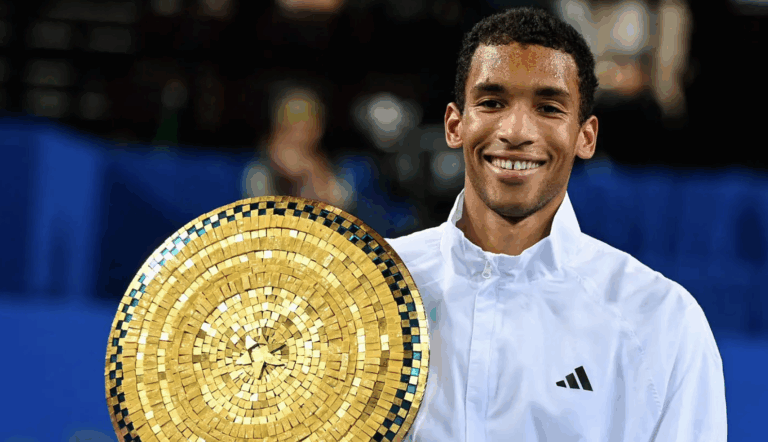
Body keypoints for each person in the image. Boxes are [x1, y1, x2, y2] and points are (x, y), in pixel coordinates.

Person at [385, 6, 726, 441]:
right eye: (492, 102)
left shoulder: (662, 321)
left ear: (586, 136)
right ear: (455, 125)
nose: (516, 130)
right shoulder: (369, 287)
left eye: (548, 107)